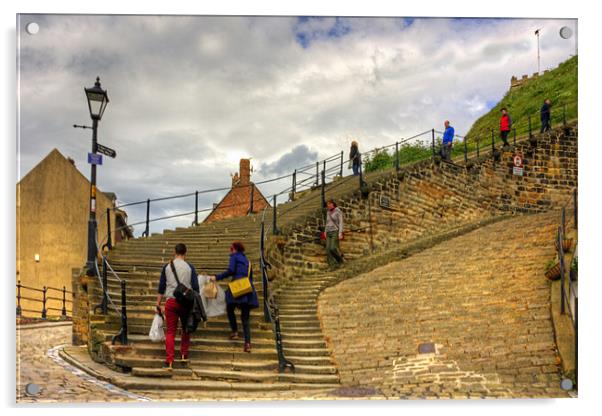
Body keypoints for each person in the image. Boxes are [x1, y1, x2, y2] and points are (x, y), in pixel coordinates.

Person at [156, 243, 199, 370]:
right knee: (186, 329)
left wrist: (158, 303)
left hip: (171, 301)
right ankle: (184, 355)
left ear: (175, 252)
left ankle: (169, 361)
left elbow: (161, 287)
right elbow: (196, 288)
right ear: (185, 253)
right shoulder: (190, 267)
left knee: (170, 331)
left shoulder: (167, 266)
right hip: (186, 303)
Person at [210, 241, 258, 353]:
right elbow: (250, 277)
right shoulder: (248, 261)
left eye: (231, 248)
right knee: (245, 318)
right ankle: (248, 344)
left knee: (230, 308)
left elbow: (231, 270)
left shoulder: (234, 257)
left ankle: (235, 331)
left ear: (235, 249)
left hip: (236, 287)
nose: (230, 250)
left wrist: (217, 277)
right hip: (247, 290)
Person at [325, 198, 344, 269]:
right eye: (327, 205)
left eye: (330, 204)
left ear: (333, 204)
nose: (328, 206)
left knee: (333, 248)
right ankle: (332, 266)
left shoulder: (338, 211)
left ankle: (340, 261)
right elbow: (327, 223)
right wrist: (325, 232)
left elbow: (341, 222)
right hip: (328, 232)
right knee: (328, 249)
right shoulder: (328, 212)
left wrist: (340, 233)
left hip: (334, 231)